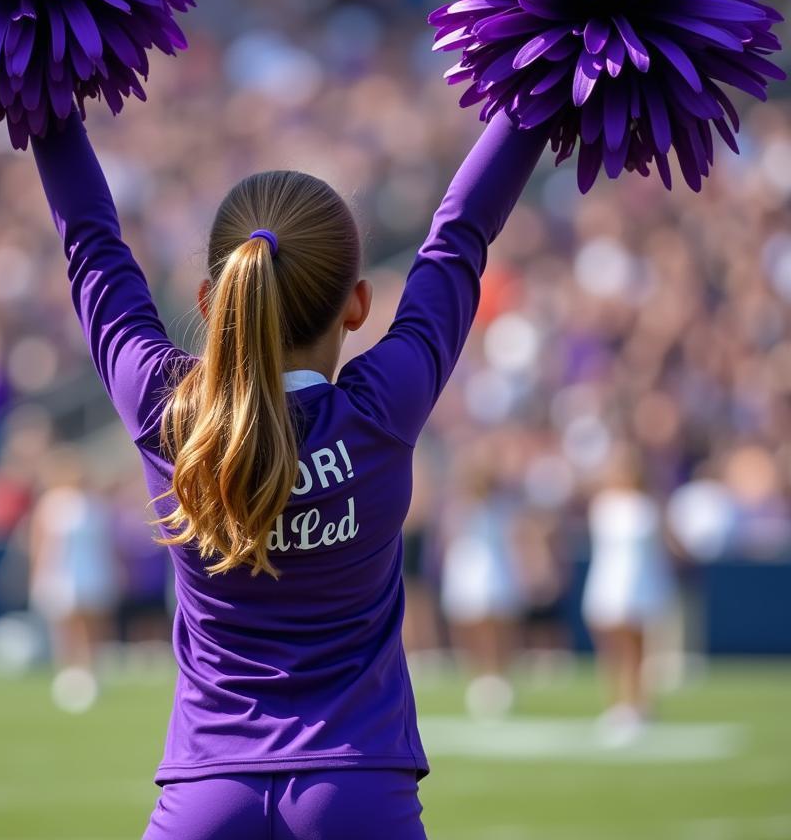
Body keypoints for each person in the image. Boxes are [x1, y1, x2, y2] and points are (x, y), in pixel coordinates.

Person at [28, 102, 546, 839]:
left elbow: (91, 246)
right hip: (360, 785)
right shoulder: (382, 409)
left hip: (206, 789)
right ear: (358, 306)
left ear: (209, 302)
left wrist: (44, 97)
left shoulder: (168, 413)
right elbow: (460, 239)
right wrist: (536, 91)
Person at [582, 445, 677, 742]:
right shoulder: (603, 504)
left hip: (640, 585)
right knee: (612, 649)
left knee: (638, 648)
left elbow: (664, 547)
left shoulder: (648, 506)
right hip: (608, 583)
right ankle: (618, 703)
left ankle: (640, 703)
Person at [29, 446, 117, 713]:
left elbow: (105, 543)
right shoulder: (52, 503)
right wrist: (39, 574)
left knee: (92, 625)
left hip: (91, 571)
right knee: (65, 626)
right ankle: (67, 672)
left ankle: (90, 672)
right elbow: (40, 542)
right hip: (61, 573)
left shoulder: (94, 503)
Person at [440, 460, 522, 718]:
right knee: (468, 625)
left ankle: (498, 676)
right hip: (466, 570)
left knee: (495, 626)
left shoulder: (499, 508)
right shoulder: (459, 508)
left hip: (492, 570)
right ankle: (479, 677)